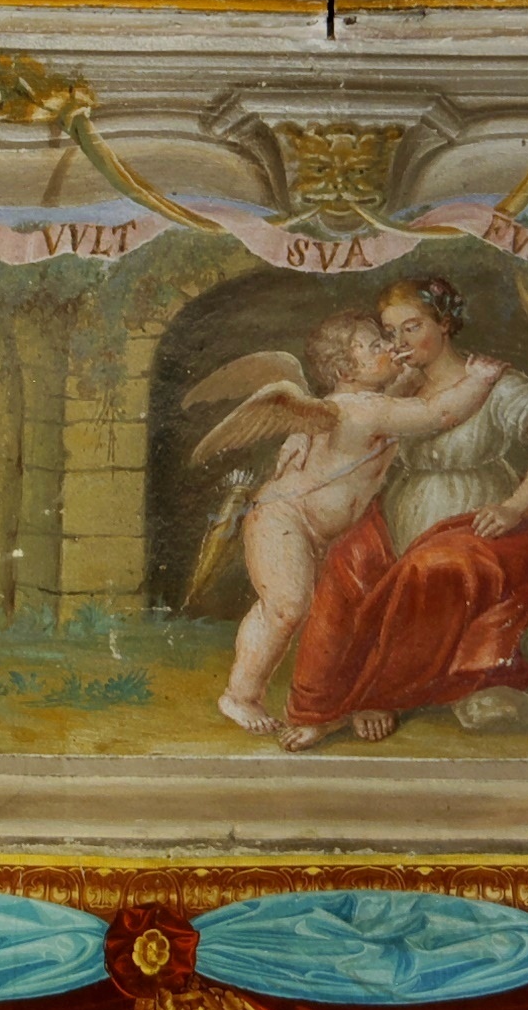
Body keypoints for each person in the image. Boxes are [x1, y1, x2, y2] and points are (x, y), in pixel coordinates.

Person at [280, 274, 528, 748]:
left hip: (481, 520)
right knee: (347, 564)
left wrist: (514, 507)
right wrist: (302, 433)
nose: (399, 342)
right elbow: (339, 411)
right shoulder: (397, 385)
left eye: (412, 326)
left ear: (444, 324)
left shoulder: (492, 379)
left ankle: (388, 691)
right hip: (401, 514)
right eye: (390, 332)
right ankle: (322, 705)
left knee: (434, 570)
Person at [178, 312, 503, 737]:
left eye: (386, 339)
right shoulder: (361, 409)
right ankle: (240, 695)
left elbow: (399, 400)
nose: (388, 346)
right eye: (374, 346)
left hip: (324, 529)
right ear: (346, 370)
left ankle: (345, 697)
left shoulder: (360, 403)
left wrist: (402, 368)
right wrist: (479, 379)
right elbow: (435, 413)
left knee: (343, 608)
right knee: (286, 607)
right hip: (283, 519)